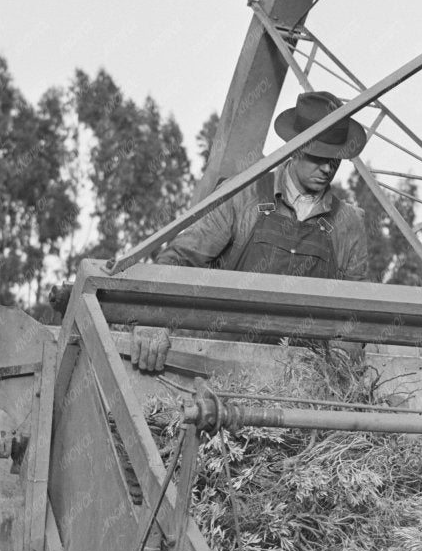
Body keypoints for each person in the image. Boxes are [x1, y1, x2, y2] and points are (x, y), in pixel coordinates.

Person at [131, 91, 371, 373]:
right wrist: (154, 319)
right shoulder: (243, 195)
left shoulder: (348, 222)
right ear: (295, 148)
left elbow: (359, 307)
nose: (328, 168)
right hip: (221, 370)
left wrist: (343, 354)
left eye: (336, 159)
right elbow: (180, 259)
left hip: (305, 379)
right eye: (319, 157)